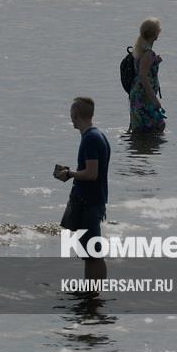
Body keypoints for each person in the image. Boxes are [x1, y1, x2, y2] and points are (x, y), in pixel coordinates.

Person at [55, 97, 111, 280]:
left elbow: (91, 174)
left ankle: (93, 293)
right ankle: (93, 291)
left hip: (89, 203)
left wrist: (69, 173)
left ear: (76, 115)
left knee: (92, 255)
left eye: (71, 114)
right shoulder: (98, 135)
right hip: (94, 201)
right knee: (91, 255)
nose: (71, 118)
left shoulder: (90, 139)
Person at [128, 17, 166, 133]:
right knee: (158, 125)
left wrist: (155, 62)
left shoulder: (141, 49)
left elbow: (143, 69)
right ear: (154, 33)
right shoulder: (148, 53)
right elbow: (143, 76)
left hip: (138, 94)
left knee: (141, 129)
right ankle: (145, 144)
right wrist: (154, 99)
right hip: (143, 95)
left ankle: (140, 144)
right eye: (158, 30)